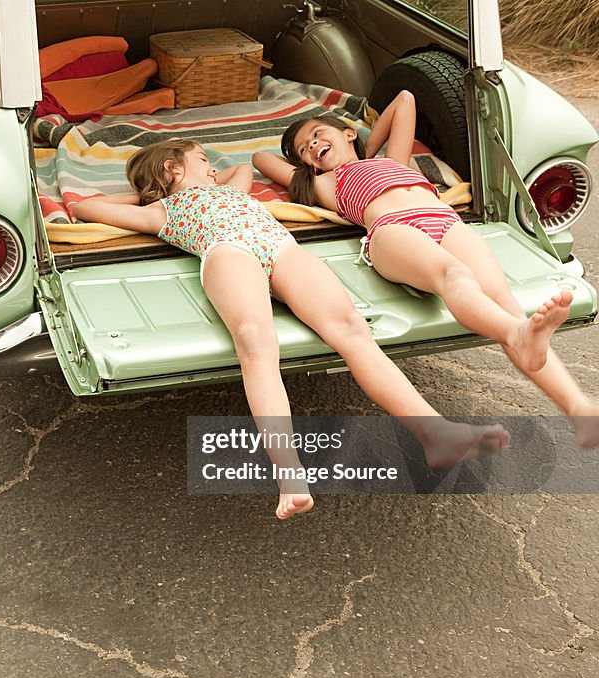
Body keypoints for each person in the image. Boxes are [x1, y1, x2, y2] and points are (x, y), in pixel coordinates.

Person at [72, 138, 510, 520]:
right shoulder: (162, 212)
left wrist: (204, 175)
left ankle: (435, 433)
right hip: (229, 252)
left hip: (282, 247)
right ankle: (290, 475)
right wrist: (150, 195)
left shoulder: (227, 188)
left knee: (353, 331)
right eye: (202, 159)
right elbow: (85, 207)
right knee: (257, 344)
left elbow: (243, 169)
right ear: (173, 167)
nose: (212, 167)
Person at [252, 90, 599, 449]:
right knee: (456, 276)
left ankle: (578, 408)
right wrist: (309, 157)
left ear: (349, 133)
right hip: (392, 230)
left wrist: (367, 147)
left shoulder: (393, 160)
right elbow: (262, 158)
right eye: (304, 149)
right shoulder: (321, 182)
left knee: (503, 301)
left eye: (317, 134)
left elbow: (404, 100)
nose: (311, 145)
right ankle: (517, 336)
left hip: (444, 220)